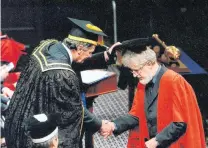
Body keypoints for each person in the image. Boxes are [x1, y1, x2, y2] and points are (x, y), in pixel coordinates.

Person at [4, 17, 116, 148]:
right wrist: (100, 125)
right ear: (79, 49)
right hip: (35, 137)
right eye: (90, 52)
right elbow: (74, 110)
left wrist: (105, 56)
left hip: (17, 123)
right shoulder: (62, 75)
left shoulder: (47, 46)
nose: (90, 56)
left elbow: (73, 62)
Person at [100, 38, 206, 148]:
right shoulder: (144, 81)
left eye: (137, 70)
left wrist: (157, 140)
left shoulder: (173, 81)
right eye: (132, 71)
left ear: (150, 64)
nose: (134, 75)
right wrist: (114, 125)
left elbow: (180, 123)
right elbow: (136, 115)